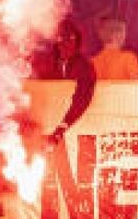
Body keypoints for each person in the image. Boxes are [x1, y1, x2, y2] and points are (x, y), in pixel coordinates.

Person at [32, 18, 96, 146]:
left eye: (71, 39)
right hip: (42, 130)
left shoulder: (84, 66)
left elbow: (82, 99)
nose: (66, 44)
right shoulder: (47, 61)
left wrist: (61, 128)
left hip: (71, 131)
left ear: (77, 41)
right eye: (61, 40)